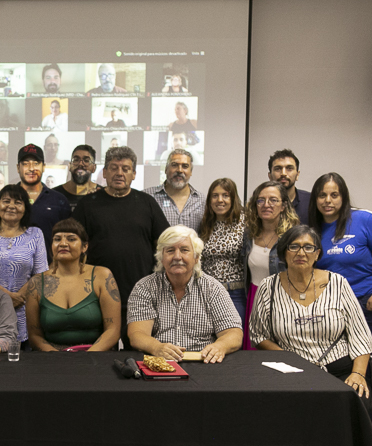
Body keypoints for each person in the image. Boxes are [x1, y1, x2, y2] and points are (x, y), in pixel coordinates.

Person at [249, 225, 372, 397]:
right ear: (284, 252)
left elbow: (360, 336)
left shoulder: (338, 283)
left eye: (308, 247)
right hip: (290, 372)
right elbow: (258, 336)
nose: (301, 253)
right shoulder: (268, 287)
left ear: (317, 254)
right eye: (294, 246)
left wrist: (358, 374)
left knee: (354, 402)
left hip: (339, 371)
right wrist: (289, 359)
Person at [73, 146, 170, 348]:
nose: (119, 173)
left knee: (137, 352)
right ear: (104, 172)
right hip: (96, 295)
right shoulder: (87, 204)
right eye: (114, 168)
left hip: (139, 293)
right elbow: (74, 246)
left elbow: (165, 243)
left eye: (125, 169)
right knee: (97, 354)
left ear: (133, 174)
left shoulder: (147, 203)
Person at [308, 172, 372, 377]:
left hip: (369, 305)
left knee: (368, 367)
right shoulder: (311, 229)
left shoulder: (364, 219)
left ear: (343, 197)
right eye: (322, 195)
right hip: (333, 309)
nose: (328, 201)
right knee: (339, 367)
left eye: (334, 195)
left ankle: (368, 400)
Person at [128, 226, 243, 363]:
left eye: (184, 250)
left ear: (196, 257)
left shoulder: (213, 288)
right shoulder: (144, 287)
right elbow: (137, 334)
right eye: (170, 250)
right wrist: (156, 347)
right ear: (161, 258)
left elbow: (234, 333)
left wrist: (220, 346)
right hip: (160, 362)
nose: (177, 257)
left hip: (204, 363)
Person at [25, 218, 121, 351]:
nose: (63, 244)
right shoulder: (36, 283)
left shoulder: (102, 276)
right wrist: (57, 356)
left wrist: (86, 356)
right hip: (52, 357)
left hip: (96, 354)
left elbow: (113, 330)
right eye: (57, 239)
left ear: (84, 247)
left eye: (71, 239)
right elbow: (34, 336)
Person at [0, 184, 48, 344]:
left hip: (24, 307)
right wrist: (7, 297)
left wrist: (19, 297)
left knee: (22, 355)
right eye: (6, 201)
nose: (11, 206)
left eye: (18, 202)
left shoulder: (35, 234)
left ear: (25, 208)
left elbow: (41, 274)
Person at [0, 144, 71, 260]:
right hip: (10, 266)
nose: (31, 168)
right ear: (18, 168)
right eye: (26, 164)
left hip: (49, 267)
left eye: (36, 163)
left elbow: (70, 237)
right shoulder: (5, 198)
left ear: (44, 167)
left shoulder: (58, 200)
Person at [242, 180, 298, 350]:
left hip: (283, 302)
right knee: (253, 352)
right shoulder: (249, 234)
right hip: (254, 298)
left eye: (273, 200)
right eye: (261, 200)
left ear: (283, 206)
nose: (266, 205)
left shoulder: (293, 236)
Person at [199, 178, 248, 322]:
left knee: (234, 334)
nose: (220, 200)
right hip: (208, 293)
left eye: (225, 195)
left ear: (233, 198)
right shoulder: (206, 223)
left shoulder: (245, 222)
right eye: (215, 196)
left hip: (235, 293)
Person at [146, 148, 205, 229]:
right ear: (166, 169)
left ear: (191, 172)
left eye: (185, 166)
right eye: (174, 165)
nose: (179, 170)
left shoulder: (202, 200)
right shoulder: (147, 197)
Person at [268, 148, 311, 223]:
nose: (283, 173)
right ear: (270, 176)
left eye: (289, 168)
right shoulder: (262, 203)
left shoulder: (310, 201)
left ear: (297, 175)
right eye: (278, 169)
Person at [53, 145, 100, 211]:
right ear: (69, 166)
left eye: (86, 160)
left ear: (94, 168)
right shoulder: (54, 195)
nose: (80, 164)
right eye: (76, 160)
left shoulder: (101, 195)